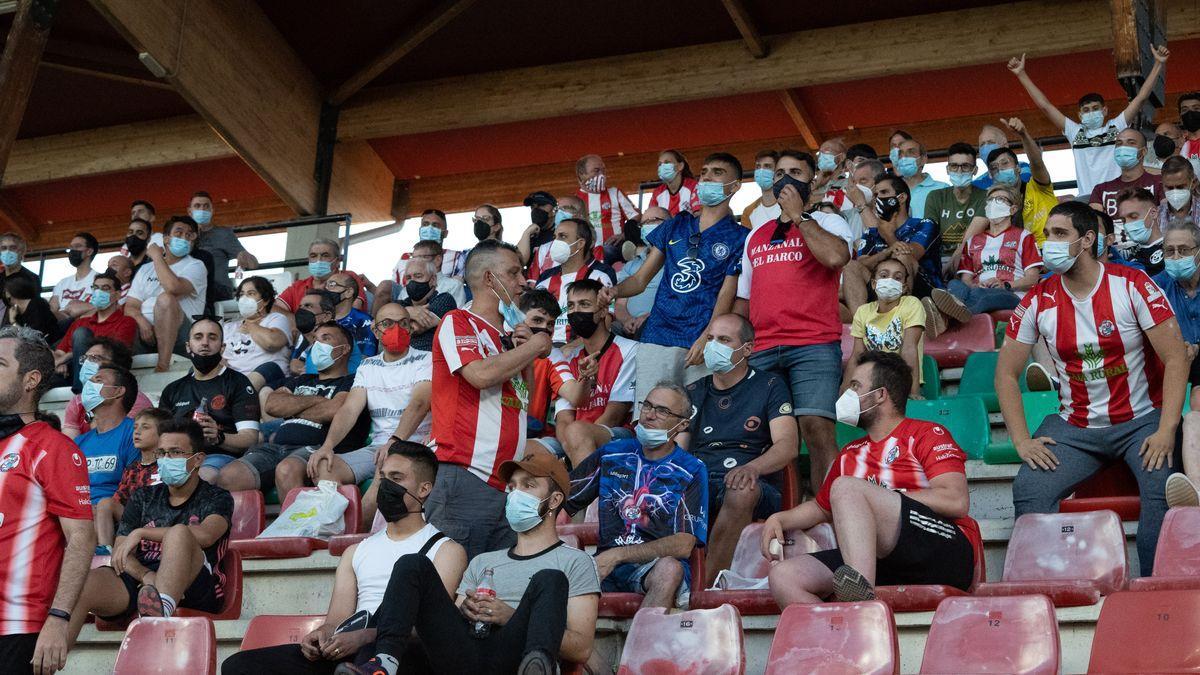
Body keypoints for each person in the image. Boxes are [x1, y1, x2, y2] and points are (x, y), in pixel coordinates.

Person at [997, 200, 1187, 577]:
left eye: (1060, 234)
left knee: (1160, 490)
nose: (1049, 242)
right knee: (1030, 489)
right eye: (1047, 234)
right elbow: (1005, 374)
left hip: (1142, 419)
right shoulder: (1038, 299)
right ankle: (1050, 586)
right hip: (1074, 429)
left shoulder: (1132, 285)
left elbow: (1177, 358)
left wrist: (1166, 430)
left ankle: (1154, 588)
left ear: (1087, 240)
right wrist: (1021, 440)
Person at [221, 442, 468, 675]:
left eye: (397, 478)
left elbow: (429, 628)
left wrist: (364, 637)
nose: (386, 485)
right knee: (239, 665)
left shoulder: (447, 550)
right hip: (350, 645)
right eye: (383, 477)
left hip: (402, 651)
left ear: (424, 489)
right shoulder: (356, 551)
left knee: (374, 653)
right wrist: (321, 635)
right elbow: (337, 620)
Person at [344, 452, 600, 675]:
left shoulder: (576, 561)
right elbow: (450, 623)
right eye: (512, 487)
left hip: (517, 657)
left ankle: (537, 666)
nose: (515, 494)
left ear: (554, 501)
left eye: (528, 486)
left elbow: (581, 648)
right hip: (465, 655)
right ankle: (384, 664)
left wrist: (507, 617)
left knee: (550, 578)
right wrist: (467, 611)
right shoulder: (483, 561)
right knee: (413, 564)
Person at [764, 351, 979, 604]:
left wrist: (880, 500)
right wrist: (780, 518)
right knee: (784, 577)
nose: (846, 393)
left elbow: (956, 501)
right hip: (879, 560)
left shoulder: (927, 433)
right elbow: (821, 508)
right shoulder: (850, 454)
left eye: (855, 386)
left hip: (945, 553)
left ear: (880, 395)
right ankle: (848, 638)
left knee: (847, 488)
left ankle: (860, 604)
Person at [734, 149, 853, 496]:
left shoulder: (829, 222)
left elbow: (834, 257)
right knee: (758, 436)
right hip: (762, 347)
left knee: (817, 428)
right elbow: (744, 299)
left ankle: (831, 518)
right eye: (780, 172)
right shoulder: (755, 234)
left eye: (795, 173)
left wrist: (800, 218)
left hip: (813, 343)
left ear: (811, 180)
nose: (786, 179)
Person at [64, 419, 234, 657]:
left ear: (197, 459)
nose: (166, 459)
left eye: (175, 453)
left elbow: (205, 535)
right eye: (162, 453)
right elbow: (121, 552)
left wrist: (142, 532)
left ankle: (160, 610)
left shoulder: (217, 497)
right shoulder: (143, 496)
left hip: (194, 582)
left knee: (179, 532)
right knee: (83, 585)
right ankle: (48, 661)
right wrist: (146, 575)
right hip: (142, 580)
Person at [428, 240, 551, 558]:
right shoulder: (458, 321)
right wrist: (535, 347)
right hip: (466, 473)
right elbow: (479, 376)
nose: (523, 281)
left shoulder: (508, 336)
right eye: (513, 272)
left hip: (504, 481)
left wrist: (525, 353)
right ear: (488, 279)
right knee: (448, 584)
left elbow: (526, 400)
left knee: (484, 590)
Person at [603, 152, 748, 406]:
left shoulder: (741, 237)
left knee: (692, 422)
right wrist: (615, 291)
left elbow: (727, 295)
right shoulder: (675, 225)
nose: (707, 178)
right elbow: (638, 280)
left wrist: (708, 338)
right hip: (657, 336)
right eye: (704, 172)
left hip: (697, 342)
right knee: (648, 417)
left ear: (735, 186)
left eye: (717, 172)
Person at [0, 326, 94, 675]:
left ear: (31, 379)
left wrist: (58, 618)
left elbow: (82, 538)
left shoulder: (52, 448)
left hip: (19, 626)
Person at [677, 314, 797, 585]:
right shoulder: (692, 391)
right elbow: (679, 451)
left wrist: (752, 468)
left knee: (742, 489)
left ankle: (702, 590)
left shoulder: (770, 385)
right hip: (701, 477)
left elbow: (788, 445)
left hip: (753, 481)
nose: (713, 346)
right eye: (710, 339)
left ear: (747, 349)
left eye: (724, 340)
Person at [566, 382, 705, 610]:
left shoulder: (691, 469)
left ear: (682, 424)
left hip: (654, 567)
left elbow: (683, 544)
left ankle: (642, 644)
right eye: (647, 405)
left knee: (670, 569)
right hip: (605, 567)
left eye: (662, 411)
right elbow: (564, 499)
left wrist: (618, 555)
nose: (650, 415)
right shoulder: (612, 453)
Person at [220, 322, 368, 495]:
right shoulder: (301, 380)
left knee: (287, 469)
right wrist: (318, 402)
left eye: (325, 338)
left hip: (316, 448)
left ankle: (298, 522)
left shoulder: (354, 381)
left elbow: (333, 410)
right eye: (315, 340)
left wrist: (292, 407)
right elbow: (272, 405)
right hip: (276, 448)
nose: (317, 345)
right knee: (227, 476)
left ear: (344, 349)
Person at [1008, 46, 1168, 197]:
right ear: (1079, 115)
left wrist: (1158, 64)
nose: (1091, 112)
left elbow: (1140, 98)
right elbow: (1045, 106)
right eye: (1086, 110)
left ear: (1104, 110)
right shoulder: (1075, 132)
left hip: (1118, 195)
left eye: (1095, 108)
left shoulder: (1116, 127)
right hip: (1087, 200)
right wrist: (1021, 74)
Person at [308, 304, 433, 495]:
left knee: (387, 469)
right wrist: (327, 446)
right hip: (378, 448)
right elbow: (349, 409)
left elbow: (420, 403)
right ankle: (348, 522)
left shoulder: (426, 359)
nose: (396, 329)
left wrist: (395, 441)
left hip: (414, 445)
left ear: (410, 329)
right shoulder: (367, 366)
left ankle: (357, 525)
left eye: (403, 323)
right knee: (324, 467)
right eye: (387, 323)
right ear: (375, 331)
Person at [544, 279, 637, 466]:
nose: (576, 312)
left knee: (577, 430)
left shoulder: (630, 350)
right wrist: (570, 448)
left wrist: (577, 440)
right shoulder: (569, 359)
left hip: (616, 435)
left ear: (603, 311)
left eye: (584, 304)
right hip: (574, 441)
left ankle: (584, 492)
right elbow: (563, 420)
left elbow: (614, 416)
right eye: (571, 306)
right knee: (530, 447)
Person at [158, 317, 261, 481]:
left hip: (217, 457)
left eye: (212, 337)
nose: (205, 343)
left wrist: (218, 437)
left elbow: (249, 438)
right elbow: (160, 435)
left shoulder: (238, 383)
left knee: (201, 477)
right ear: (188, 346)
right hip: (174, 459)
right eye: (198, 337)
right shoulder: (172, 390)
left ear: (222, 347)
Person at [933, 184, 1044, 320]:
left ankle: (945, 319)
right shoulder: (973, 241)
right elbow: (966, 280)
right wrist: (975, 285)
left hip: (1012, 294)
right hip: (977, 290)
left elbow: (1033, 279)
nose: (993, 203)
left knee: (981, 294)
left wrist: (1006, 285)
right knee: (954, 284)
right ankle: (954, 316)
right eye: (990, 200)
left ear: (1013, 209)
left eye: (1000, 199)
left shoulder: (1024, 236)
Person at [1150, 219, 1200, 507]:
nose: (1176, 257)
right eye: (1169, 251)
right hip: (1169, 364)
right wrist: (1174, 349)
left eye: (1183, 250)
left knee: (1195, 414)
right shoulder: (1156, 288)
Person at [844, 173, 942, 313]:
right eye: (876, 195)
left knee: (901, 257)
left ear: (901, 198)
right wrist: (886, 252)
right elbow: (861, 264)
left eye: (884, 192)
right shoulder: (872, 232)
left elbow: (913, 255)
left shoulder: (924, 224)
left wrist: (889, 235)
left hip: (922, 292)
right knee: (851, 265)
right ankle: (862, 324)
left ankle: (902, 317)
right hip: (880, 291)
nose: (878, 198)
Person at [125, 216, 209, 372]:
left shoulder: (196, 265)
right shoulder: (145, 269)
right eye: (179, 232)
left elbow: (172, 288)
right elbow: (130, 306)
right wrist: (142, 321)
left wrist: (157, 256)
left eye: (189, 235)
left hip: (182, 333)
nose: (184, 237)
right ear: (166, 239)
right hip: (145, 331)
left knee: (165, 299)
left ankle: (163, 365)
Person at [844, 259, 926, 397]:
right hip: (872, 383)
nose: (890, 280)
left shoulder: (911, 304)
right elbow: (857, 355)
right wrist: (845, 390)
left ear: (904, 288)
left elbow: (909, 349)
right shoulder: (863, 312)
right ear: (874, 284)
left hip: (901, 381)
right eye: (883, 275)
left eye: (897, 277)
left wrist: (912, 392)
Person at [970, 117, 1057, 247]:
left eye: (1005, 163)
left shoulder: (1038, 186)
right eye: (994, 168)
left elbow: (1037, 162)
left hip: (1051, 250)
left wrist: (1023, 134)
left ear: (1018, 168)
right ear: (991, 175)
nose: (1000, 169)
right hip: (1018, 258)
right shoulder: (994, 203)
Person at [97, 408, 172, 553]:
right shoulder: (131, 469)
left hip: (160, 523)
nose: (137, 432)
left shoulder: (168, 465)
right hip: (134, 520)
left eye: (145, 427)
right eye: (135, 427)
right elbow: (118, 500)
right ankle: (106, 549)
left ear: (163, 434)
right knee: (104, 505)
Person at [535, 217, 616, 344]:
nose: (555, 242)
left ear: (580, 243)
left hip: (580, 348)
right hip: (546, 349)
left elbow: (606, 321)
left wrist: (574, 347)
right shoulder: (544, 280)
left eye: (562, 236)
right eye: (555, 237)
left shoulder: (599, 277)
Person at [54, 272, 137, 392]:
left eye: (105, 288)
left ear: (118, 294)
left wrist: (67, 356)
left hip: (103, 372)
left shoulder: (126, 322)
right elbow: (58, 353)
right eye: (96, 288)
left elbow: (114, 354)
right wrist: (61, 363)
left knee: (81, 334)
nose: (99, 292)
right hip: (71, 371)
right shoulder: (80, 322)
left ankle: (82, 391)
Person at [75, 365, 139, 519]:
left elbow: (134, 487)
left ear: (118, 391)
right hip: (79, 515)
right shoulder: (79, 442)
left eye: (97, 380)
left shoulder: (136, 433)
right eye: (88, 381)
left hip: (114, 516)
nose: (89, 386)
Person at [61, 337, 154, 439]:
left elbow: (121, 440)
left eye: (94, 358)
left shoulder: (135, 400)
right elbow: (70, 445)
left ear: (115, 365)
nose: (87, 363)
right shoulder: (77, 402)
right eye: (85, 358)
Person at [224, 276, 291, 390]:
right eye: (241, 294)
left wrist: (250, 325)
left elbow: (272, 343)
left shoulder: (276, 319)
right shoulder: (228, 328)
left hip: (269, 378)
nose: (244, 298)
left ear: (265, 300)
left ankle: (240, 395)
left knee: (268, 368)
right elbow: (221, 357)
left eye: (251, 293)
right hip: (236, 380)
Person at [925, 143, 989, 260]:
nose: (959, 171)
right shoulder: (935, 196)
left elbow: (968, 242)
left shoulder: (985, 197)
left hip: (972, 257)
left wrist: (951, 265)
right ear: (948, 169)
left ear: (975, 170)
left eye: (965, 166)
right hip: (939, 258)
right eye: (954, 166)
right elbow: (929, 233)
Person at [191, 191, 259, 301]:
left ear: (212, 210)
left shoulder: (224, 233)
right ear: (190, 211)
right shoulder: (184, 236)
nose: (202, 210)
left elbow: (252, 264)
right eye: (197, 206)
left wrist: (242, 261)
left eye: (206, 206)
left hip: (218, 288)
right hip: (189, 286)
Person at [276, 238, 369, 315]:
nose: (318, 260)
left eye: (325, 255)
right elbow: (274, 308)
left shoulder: (348, 277)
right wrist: (293, 321)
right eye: (313, 256)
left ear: (337, 261)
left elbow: (354, 308)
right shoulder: (298, 287)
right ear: (309, 260)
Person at [613, 207, 667, 340]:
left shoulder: (677, 263)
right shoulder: (631, 265)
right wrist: (627, 320)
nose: (647, 226)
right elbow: (620, 305)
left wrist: (648, 318)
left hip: (661, 324)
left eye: (653, 220)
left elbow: (677, 301)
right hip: (628, 326)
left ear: (670, 225)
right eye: (644, 223)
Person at [576, 154, 640, 256]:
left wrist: (624, 235)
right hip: (587, 253)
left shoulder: (615, 193)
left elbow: (636, 216)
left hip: (615, 248)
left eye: (603, 171)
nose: (602, 175)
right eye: (596, 170)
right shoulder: (575, 200)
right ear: (582, 174)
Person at [1089, 129, 1162, 219]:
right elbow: (1097, 226)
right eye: (1119, 143)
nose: (1123, 147)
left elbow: (1166, 219)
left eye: (1131, 143)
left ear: (1143, 151)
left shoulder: (1159, 182)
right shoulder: (1100, 190)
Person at [378, 240, 466, 309]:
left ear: (438, 260)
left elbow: (454, 318)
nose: (415, 262)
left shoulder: (453, 285)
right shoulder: (406, 290)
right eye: (413, 258)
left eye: (421, 258)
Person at [396, 258, 457, 352]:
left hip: (430, 361)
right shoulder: (399, 304)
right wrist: (408, 312)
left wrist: (397, 317)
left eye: (418, 276)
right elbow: (377, 324)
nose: (412, 282)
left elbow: (416, 327)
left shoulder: (444, 299)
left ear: (432, 280)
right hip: (400, 362)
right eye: (408, 278)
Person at [320, 271, 377, 373]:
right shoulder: (319, 319)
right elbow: (299, 359)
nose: (327, 289)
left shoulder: (364, 321)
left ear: (348, 292)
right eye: (326, 286)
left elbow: (365, 360)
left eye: (332, 285)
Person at [49, 232, 98, 325]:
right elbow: (52, 310)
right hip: (59, 325)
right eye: (71, 247)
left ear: (89, 251)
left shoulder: (99, 280)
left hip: (83, 324)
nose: (72, 250)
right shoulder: (63, 283)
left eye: (77, 246)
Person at [1116, 187, 1167, 275]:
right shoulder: (1125, 255)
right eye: (1123, 220)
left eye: (1133, 216)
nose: (1127, 224)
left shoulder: (1173, 249)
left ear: (1153, 213)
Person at [893, 137, 948, 219]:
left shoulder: (943, 188)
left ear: (923, 159)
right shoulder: (890, 189)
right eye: (900, 154)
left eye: (911, 152)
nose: (904, 157)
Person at [516, 190, 561, 281]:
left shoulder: (562, 234)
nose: (536, 210)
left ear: (554, 210)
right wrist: (527, 233)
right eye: (533, 206)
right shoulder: (530, 236)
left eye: (541, 205)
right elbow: (518, 261)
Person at [291, 289, 338, 376]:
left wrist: (308, 370)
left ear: (326, 316)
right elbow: (294, 364)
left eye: (308, 306)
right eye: (300, 306)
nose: (301, 310)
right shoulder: (304, 335)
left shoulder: (337, 339)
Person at [973, 123, 1032, 190]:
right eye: (982, 144)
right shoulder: (976, 184)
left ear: (1005, 145)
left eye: (991, 142)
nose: (986, 147)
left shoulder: (1023, 168)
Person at [4, 275, 57, 340]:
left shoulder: (38, 305)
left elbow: (32, 337)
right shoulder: (14, 309)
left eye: (6, 289)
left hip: (46, 344)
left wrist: (13, 322)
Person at [649, 149, 700, 216]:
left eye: (667, 162)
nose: (662, 166)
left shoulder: (693, 186)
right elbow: (650, 218)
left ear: (680, 166)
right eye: (659, 164)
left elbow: (698, 216)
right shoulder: (657, 192)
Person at [741, 149, 780, 229]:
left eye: (767, 166)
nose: (761, 171)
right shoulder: (749, 211)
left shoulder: (790, 204)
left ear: (778, 171)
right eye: (758, 167)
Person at [1158, 156, 1200, 229]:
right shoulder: (1155, 216)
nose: (1175, 192)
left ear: (1193, 183)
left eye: (1180, 187)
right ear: (1163, 186)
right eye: (1169, 188)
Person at [0, 232, 41, 306]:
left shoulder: (31, 279)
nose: (7, 252)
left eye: (13, 248)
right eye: (4, 248)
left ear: (22, 251)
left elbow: (34, 308)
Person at [1179, 92, 1200, 170]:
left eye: (1196, 108)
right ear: (1180, 117)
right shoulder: (1177, 146)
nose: (1190, 113)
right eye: (1185, 110)